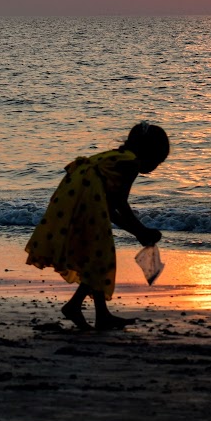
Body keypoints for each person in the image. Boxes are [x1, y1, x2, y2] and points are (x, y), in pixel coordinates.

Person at [25, 122, 168, 331]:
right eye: (158, 160)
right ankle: (85, 310)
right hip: (85, 204)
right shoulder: (130, 163)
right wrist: (141, 231)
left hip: (74, 201)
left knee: (96, 256)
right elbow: (120, 204)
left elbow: (110, 208)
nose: (156, 167)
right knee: (99, 257)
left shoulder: (115, 157)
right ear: (149, 153)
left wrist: (137, 232)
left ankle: (92, 312)